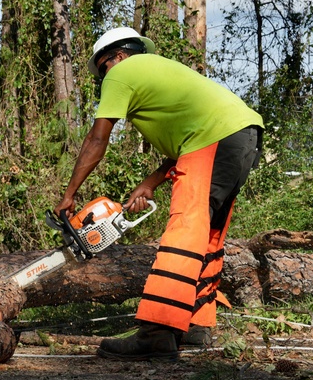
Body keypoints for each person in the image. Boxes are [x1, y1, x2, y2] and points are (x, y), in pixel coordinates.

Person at [55, 27, 263, 361]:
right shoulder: (160, 70)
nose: (104, 78)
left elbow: (97, 139)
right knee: (208, 235)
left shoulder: (122, 73)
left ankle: (158, 332)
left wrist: (69, 195)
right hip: (244, 135)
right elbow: (193, 131)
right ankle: (196, 325)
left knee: (185, 230)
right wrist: (151, 181)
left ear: (118, 56)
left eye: (103, 68)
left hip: (212, 138)